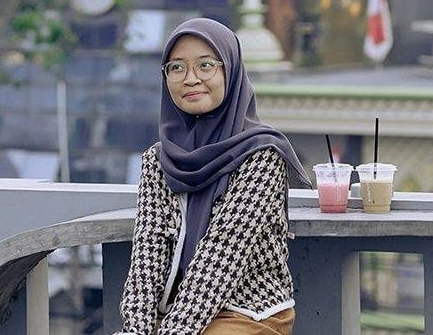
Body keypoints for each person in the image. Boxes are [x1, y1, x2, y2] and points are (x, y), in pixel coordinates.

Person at [117, 18, 312, 335]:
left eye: (205, 66)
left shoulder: (261, 155)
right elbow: (146, 257)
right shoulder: (158, 160)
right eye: (176, 68)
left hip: (250, 313)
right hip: (173, 313)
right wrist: (135, 330)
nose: (190, 79)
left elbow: (221, 255)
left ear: (230, 71)